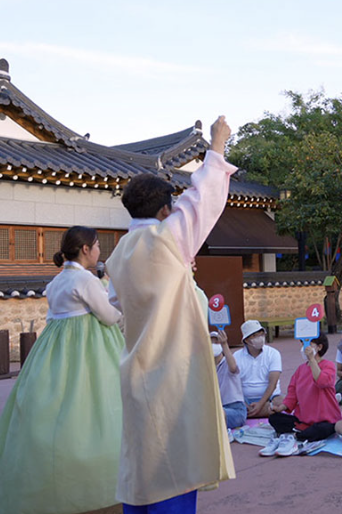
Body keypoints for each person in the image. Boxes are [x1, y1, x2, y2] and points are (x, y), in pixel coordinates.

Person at [105, 116, 235, 511]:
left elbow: (118, 308)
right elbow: (206, 197)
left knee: (141, 464)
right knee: (176, 461)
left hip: (136, 366)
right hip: (174, 368)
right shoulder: (170, 237)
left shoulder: (117, 256)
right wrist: (218, 144)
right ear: (166, 210)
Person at [0, 226, 125, 514]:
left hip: (53, 349)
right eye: (96, 246)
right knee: (97, 406)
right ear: (85, 249)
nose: (99, 252)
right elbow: (108, 316)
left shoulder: (57, 281)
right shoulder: (85, 279)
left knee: (56, 408)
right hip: (89, 348)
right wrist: (122, 304)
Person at [263, 334, 342, 456]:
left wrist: (312, 360)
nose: (304, 348)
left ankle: (294, 436)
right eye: (302, 344)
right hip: (303, 419)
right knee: (275, 418)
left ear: (319, 347)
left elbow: (321, 381)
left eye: (308, 344)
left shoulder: (328, 366)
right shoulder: (300, 369)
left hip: (325, 419)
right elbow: (292, 395)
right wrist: (281, 408)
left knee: (321, 430)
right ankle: (293, 435)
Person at [235, 320, 284, 418]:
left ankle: (248, 413)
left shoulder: (273, 354)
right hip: (245, 399)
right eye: (254, 336)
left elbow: (273, 383)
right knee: (230, 403)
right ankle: (251, 411)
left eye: (261, 334)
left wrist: (260, 404)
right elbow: (233, 384)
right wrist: (243, 402)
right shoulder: (236, 356)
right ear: (246, 340)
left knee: (281, 402)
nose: (260, 338)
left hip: (270, 397)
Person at [212, 330, 246, 430]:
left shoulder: (228, 362)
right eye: (211, 342)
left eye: (216, 342)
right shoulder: (207, 368)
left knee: (216, 414)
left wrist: (224, 344)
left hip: (235, 410)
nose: (213, 345)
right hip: (218, 408)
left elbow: (233, 367)